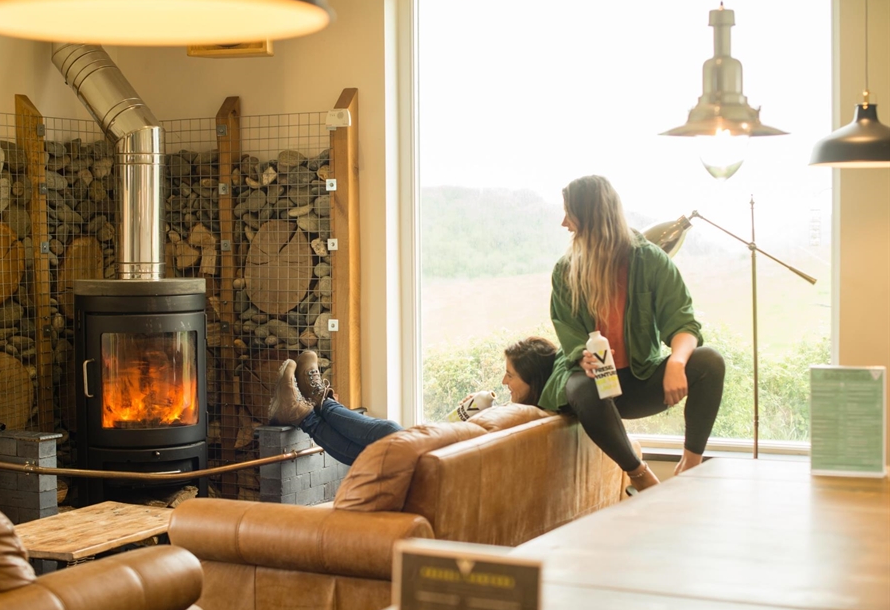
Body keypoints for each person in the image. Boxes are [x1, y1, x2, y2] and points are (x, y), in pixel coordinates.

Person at [539, 175, 725, 493]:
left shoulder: (650, 261)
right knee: (582, 386)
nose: (564, 223)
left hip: (640, 383)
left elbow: (684, 325)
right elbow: (566, 328)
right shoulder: (565, 270)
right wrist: (580, 356)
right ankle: (640, 476)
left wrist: (678, 363)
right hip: (594, 391)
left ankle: (690, 466)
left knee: (709, 361)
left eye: (570, 213)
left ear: (591, 216)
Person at [268, 336, 558, 465]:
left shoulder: (528, 417)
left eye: (511, 375)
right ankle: (305, 412)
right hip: (445, 458)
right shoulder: (525, 413)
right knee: (374, 452)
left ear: (533, 380)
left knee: (390, 434)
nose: (504, 382)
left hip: (446, 463)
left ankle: (317, 405)